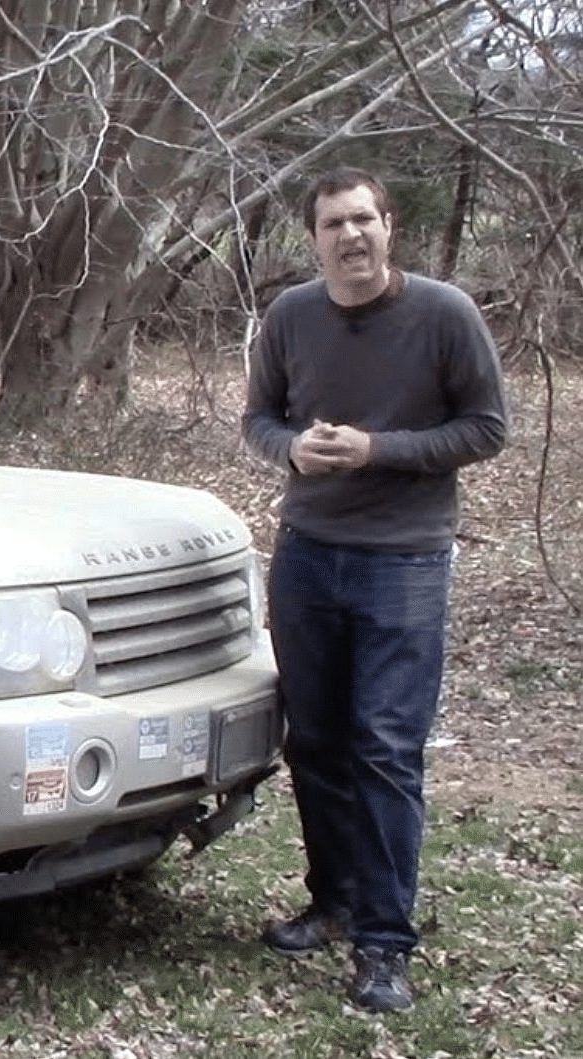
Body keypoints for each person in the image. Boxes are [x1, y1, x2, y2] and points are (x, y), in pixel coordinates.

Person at [242, 167, 509, 1013]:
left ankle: (385, 943)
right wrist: (291, 450)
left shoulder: (444, 314)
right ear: (313, 237)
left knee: (386, 750)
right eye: (333, 224)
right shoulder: (290, 316)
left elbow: (486, 427)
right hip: (308, 554)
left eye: (364, 219)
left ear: (390, 226)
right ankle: (334, 900)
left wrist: (377, 449)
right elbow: (259, 419)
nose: (351, 236)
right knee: (315, 742)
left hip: (404, 563)